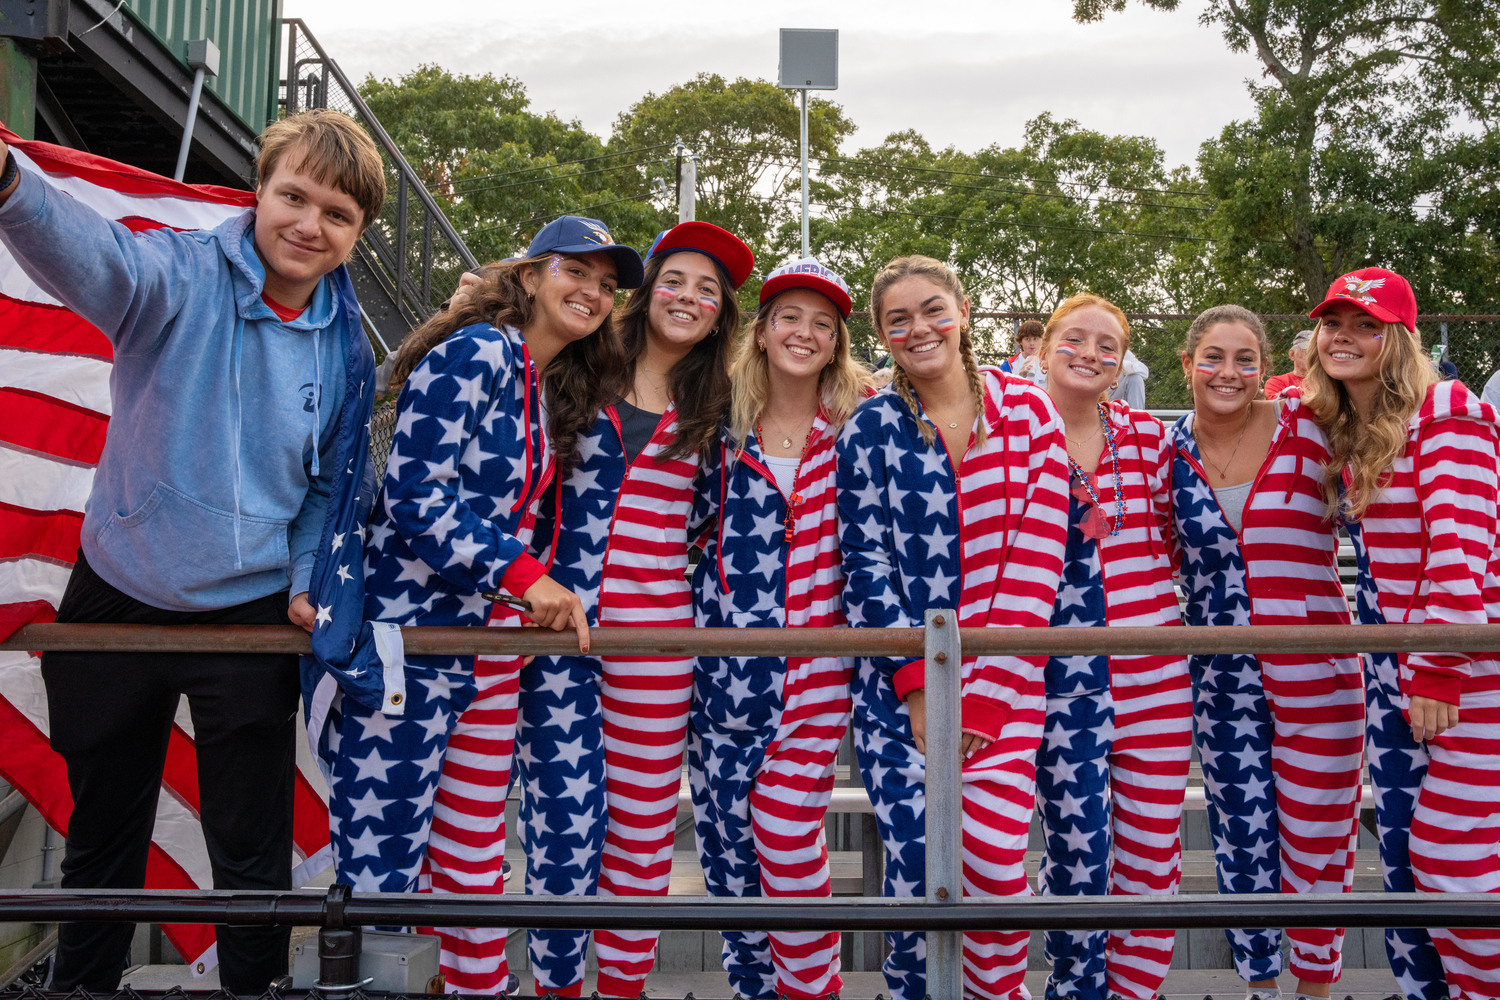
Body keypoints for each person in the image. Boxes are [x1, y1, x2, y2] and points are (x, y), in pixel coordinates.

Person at [0, 110, 383, 993]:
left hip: (248, 616)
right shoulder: (177, 273)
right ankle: (84, 987)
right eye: (293, 196)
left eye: (336, 213)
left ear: (357, 234)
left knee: (250, 848)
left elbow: (328, 489)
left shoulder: (347, 346)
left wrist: (298, 581)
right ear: (259, 192)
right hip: (118, 595)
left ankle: (253, 989)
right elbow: (95, 256)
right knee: (105, 835)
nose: (307, 224)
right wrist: (12, 185)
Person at [318, 217, 639, 993]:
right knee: (381, 865)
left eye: (606, 283)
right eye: (575, 270)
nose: (592, 291)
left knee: (471, 858)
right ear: (529, 276)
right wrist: (529, 578)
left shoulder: (541, 382)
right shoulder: (480, 350)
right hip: (405, 650)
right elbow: (414, 493)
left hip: (484, 656)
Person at [517, 220, 753, 997]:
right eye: (677, 279)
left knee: (644, 834)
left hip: (660, 642)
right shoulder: (578, 362)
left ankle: (621, 987)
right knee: (560, 828)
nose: (689, 297)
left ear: (721, 315)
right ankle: (556, 985)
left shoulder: (723, 403)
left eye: (709, 290)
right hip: (556, 631)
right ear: (649, 290)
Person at [837, 255, 1071, 1000]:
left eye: (932, 309)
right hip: (897, 693)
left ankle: (998, 993)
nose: (918, 328)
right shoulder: (870, 425)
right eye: (896, 319)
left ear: (965, 312)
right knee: (919, 874)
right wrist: (919, 692)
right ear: (880, 334)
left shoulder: (1031, 413)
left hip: (1005, 690)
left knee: (996, 872)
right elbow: (863, 560)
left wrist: (989, 695)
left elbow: (1040, 554)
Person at [1301, 267, 1500, 1000]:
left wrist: (1441, 669)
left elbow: (1461, 551)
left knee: (1451, 857)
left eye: (1366, 325)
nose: (1344, 336)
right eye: (1334, 323)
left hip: (1461, 673)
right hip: (1397, 672)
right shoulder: (1359, 423)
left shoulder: (1449, 409)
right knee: (1408, 870)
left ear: (1401, 338)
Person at [687, 258, 869, 1000]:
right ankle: (752, 986)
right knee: (728, 845)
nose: (805, 332)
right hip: (725, 669)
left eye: (822, 323)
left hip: (818, 671)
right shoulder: (714, 421)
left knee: (785, 831)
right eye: (789, 317)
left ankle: (810, 987)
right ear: (762, 331)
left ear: (837, 343)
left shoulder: (862, 426)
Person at [1169, 306, 1362, 1000]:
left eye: (1245, 358)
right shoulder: (1167, 452)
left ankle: (1315, 987)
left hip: (1320, 671)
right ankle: (1260, 986)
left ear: (1265, 366)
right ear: (1187, 367)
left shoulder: (1310, 429)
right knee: (1242, 839)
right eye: (1213, 358)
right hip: (1222, 678)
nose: (1229, 373)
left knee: (1319, 840)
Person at [1032, 294, 1190, 1000]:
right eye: (1075, 339)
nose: (1091, 354)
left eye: (1107, 345)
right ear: (1044, 347)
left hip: (1154, 671)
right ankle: (1077, 987)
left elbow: (1182, 537)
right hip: (1061, 676)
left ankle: (1136, 991)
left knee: (1154, 857)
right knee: (1076, 856)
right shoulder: (1008, 429)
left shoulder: (1149, 437)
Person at [1264, 329, 1312, 399]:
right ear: (1292, 354)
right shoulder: (1276, 382)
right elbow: (1275, 407)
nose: (1312, 356)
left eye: (1316, 352)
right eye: (1307, 351)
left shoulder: (1327, 382)